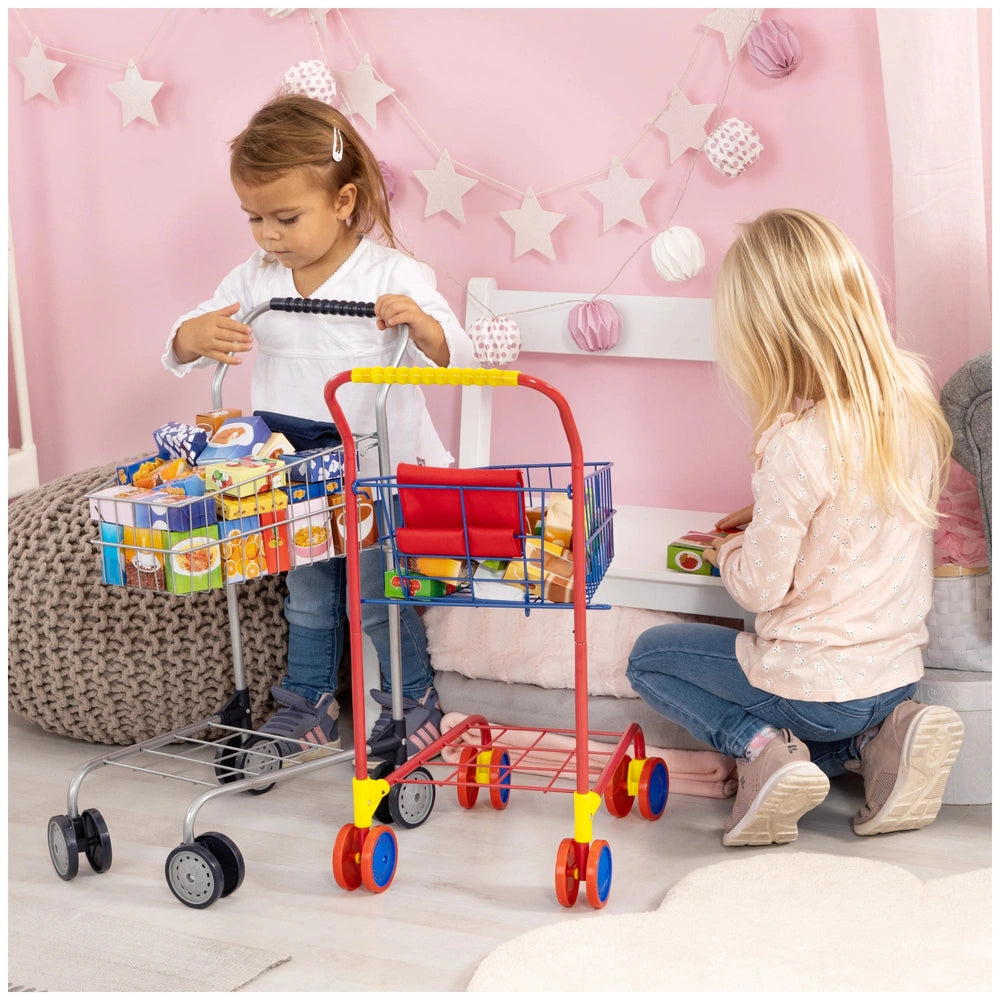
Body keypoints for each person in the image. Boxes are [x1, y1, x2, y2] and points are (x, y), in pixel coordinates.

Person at [627, 208, 965, 847]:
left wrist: (730, 549)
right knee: (839, 714)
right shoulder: (914, 410)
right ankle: (881, 739)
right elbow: (854, 526)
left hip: (809, 688)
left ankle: (761, 752)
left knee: (649, 659)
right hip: (895, 674)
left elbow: (759, 589)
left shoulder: (796, 444)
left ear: (768, 342)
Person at [163, 93, 475, 760]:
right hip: (291, 471)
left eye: (285, 217)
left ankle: (411, 700)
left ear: (343, 202)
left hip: (373, 470)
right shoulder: (257, 277)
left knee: (377, 592)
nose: (270, 234)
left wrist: (421, 326)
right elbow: (184, 338)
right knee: (304, 593)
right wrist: (194, 335)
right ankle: (305, 703)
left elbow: (458, 353)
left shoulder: (393, 275)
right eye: (254, 218)